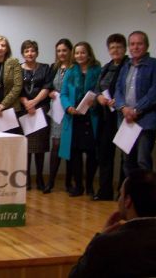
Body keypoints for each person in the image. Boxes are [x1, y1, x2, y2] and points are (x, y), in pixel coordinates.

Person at [69, 169, 156, 278]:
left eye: (121, 194)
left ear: (128, 201)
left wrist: (100, 237)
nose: (119, 199)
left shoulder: (107, 245)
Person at [114, 30, 156, 175]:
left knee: (143, 161)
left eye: (139, 44)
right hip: (126, 120)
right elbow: (118, 89)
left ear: (147, 46)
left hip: (145, 120)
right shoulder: (126, 66)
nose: (135, 47)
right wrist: (123, 108)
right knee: (127, 161)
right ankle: (131, 189)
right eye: (132, 44)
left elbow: (155, 93)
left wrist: (136, 110)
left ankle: (145, 190)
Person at [60, 42, 101, 197]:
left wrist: (95, 101)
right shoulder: (70, 71)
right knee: (75, 153)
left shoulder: (97, 70)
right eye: (77, 53)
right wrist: (68, 107)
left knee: (92, 154)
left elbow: (101, 90)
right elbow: (63, 94)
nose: (79, 56)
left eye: (83, 52)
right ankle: (78, 186)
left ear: (89, 54)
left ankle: (90, 185)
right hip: (74, 116)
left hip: (91, 117)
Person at [93, 33, 128, 201]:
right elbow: (97, 88)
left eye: (119, 47)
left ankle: (123, 192)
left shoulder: (129, 66)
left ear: (125, 48)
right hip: (106, 116)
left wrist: (119, 101)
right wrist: (99, 96)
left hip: (123, 116)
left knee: (125, 157)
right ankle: (105, 190)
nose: (115, 50)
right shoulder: (106, 67)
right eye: (112, 47)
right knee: (105, 153)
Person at [19, 40, 53, 191]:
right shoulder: (17, 69)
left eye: (32, 50)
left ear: (37, 53)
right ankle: (26, 179)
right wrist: (27, 103)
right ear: (23, 53)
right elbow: (17, 89)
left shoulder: (45, 68)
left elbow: (47, 86)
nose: (30, 53)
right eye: (26, 51)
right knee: (25, 146)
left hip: (41, 110)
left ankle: (39, 178)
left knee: (40, 147)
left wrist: (35, 102)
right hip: (24, 110)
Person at [45, 38, 72, 194]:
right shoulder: (54, 67)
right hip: (56, 112)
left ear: (70, 51)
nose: (61, 53)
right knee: (55, 145)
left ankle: (68, 183)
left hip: (69, 112)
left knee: (67, 146)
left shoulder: (74, 69)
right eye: (59, 51)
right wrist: (50, 92)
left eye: (64, 50)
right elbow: (48, 86)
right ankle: (51, 182)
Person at [0, 35, 22, 127]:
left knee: (10, 136)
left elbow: (17, 86)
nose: (0, 48)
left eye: (3, 45)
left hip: (10, 108)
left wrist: (3, 105)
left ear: (7, 49)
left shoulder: (14, 62)